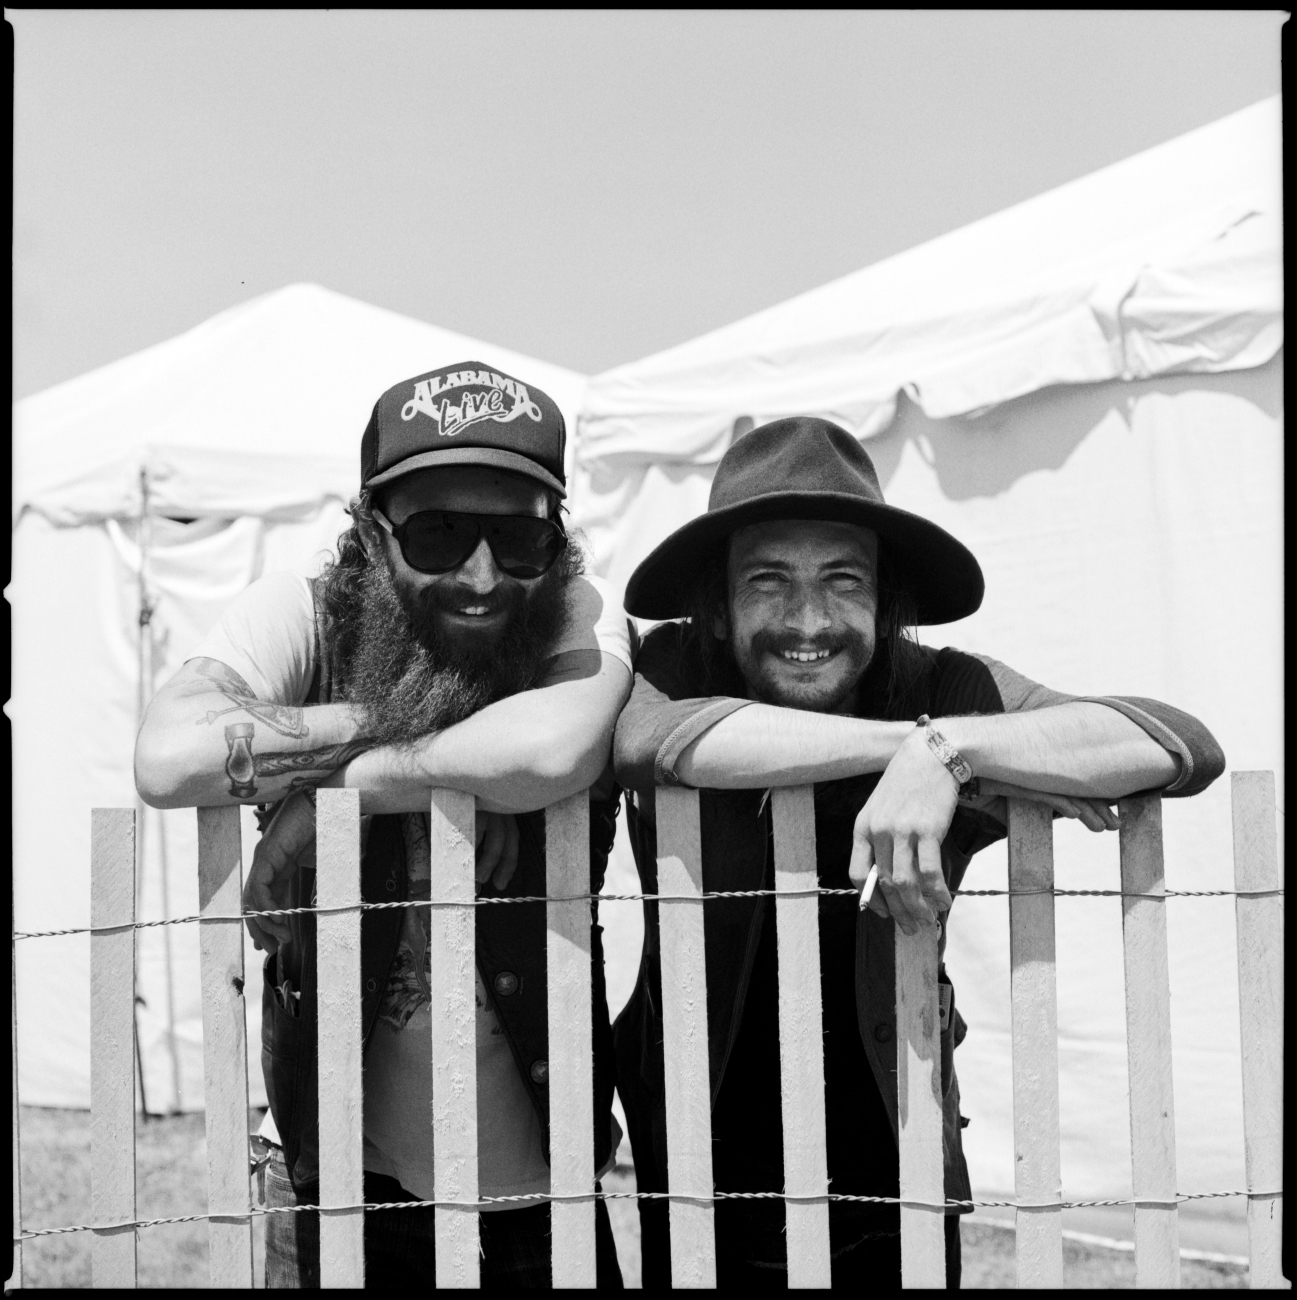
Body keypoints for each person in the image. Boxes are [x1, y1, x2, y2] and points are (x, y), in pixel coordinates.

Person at [610, 417, 1224, 1289]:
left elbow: (1173, 744)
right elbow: (658, 741)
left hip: (896, 1171)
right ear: (716, 602)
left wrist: (946, 751)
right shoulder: (673, 662)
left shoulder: (942, 684)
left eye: (842, 582)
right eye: (768, 581)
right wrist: (921, 748)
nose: (807, 620)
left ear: (883, 597)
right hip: (697, 1177)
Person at [135, 362, 633, 1288]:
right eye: (439, 535)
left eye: (519, 538)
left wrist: (348, 787)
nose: (483, 575)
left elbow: (554, 749)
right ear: (371, 532)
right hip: (336, 1185)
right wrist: (411, 724)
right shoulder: (306, 617)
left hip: (539, 1197)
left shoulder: (573, 609)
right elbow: (169, 757)